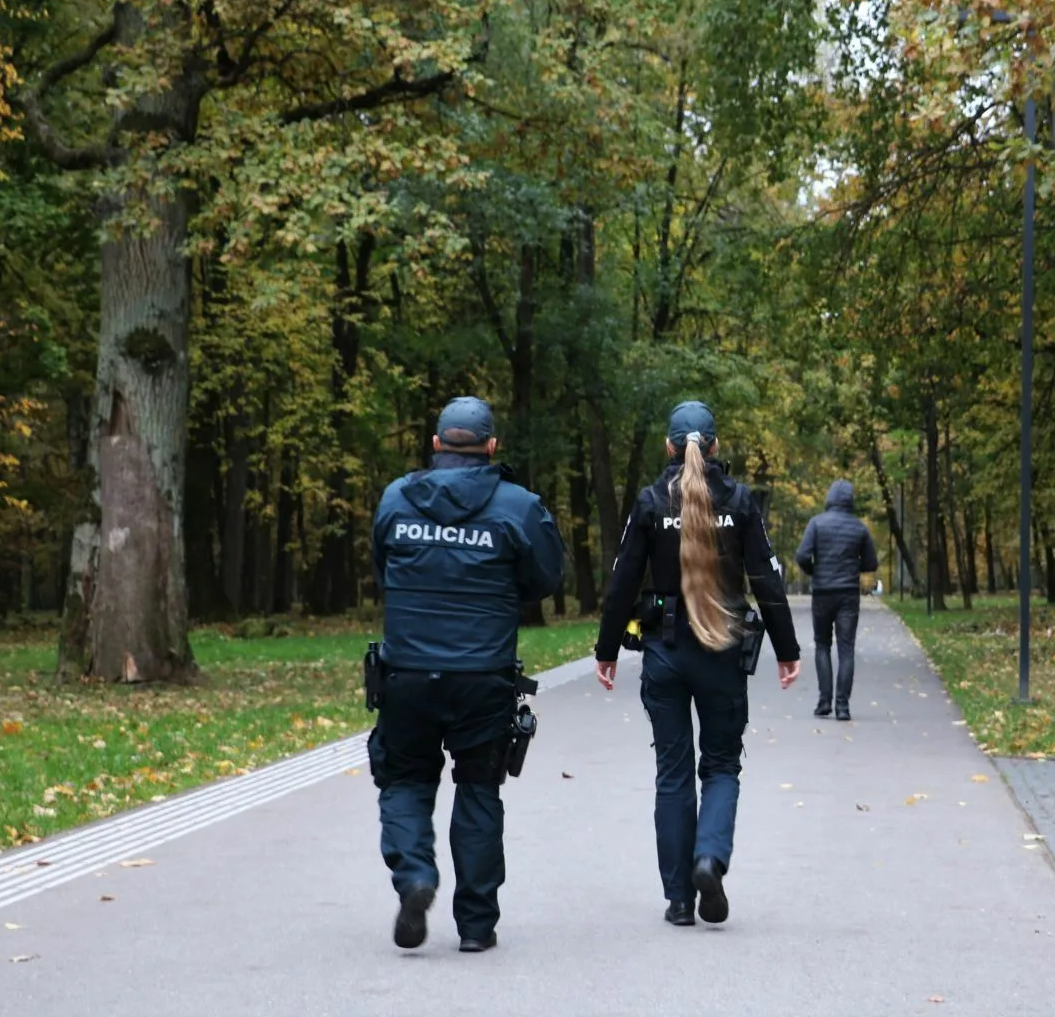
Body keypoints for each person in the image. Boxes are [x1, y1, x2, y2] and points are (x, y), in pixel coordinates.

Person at [367, 396, 564, 954]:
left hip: (406, 673)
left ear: (436, 445)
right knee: (479, 790)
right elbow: (546, 577)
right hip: (484, 676)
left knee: (404, 779)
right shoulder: (519, 507)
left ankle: (415, 878)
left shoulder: (396, 498)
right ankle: (476, 927)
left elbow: (382, 567)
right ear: (492, 447)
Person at [596, 400, 800, 927]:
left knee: (672, 774)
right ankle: (710, 858)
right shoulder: (738, 499)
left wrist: (607, 650)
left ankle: (680, 900)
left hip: (664, 651)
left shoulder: (649, 502)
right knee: (722, 765)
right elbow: (767, 578)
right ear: (713, 446)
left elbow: (623, 581)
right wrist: (787, 649)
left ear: (669, 447)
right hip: (723, 650)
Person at [795, 480, 879, 721]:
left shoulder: (817, 524)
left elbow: (802, 555)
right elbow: (871, 563)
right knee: (846, 649)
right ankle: (842, 706)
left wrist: (814, 571)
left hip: (822, 592)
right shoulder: (859, 528)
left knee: (822, 644)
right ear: (850, 501)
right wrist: (853, 567)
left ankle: (824, 703)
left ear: (829, 498)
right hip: (848, 595)